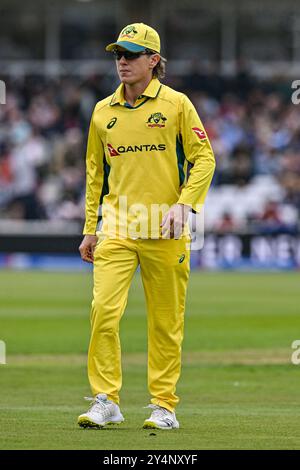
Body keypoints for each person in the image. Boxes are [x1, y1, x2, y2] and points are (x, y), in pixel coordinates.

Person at [78, 22, 215, 430]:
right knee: (102, 311)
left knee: (165, 322)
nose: (122, 61)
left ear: (153, 61)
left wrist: (184, 206)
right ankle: (106, 399)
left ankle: (164, 407)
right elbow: (93, 173)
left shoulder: (176, 104)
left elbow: (204, 158)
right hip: (117, 228)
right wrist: (90, 227)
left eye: (131, 54)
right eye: (118, 54)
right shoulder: (103, 110)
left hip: (166, 230)